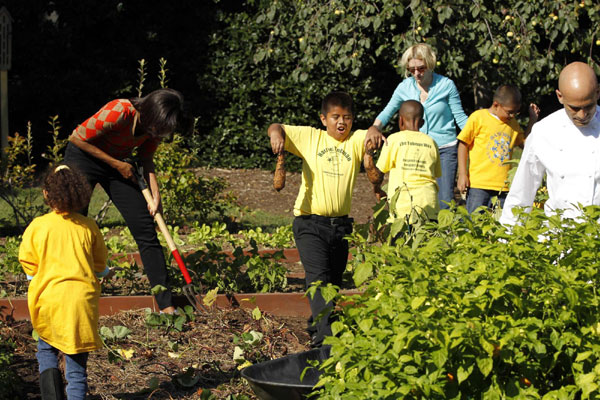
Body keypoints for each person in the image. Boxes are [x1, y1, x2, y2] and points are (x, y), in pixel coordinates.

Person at [268, 91, 384, 347]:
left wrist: (375, 130)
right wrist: (276, 134)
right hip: (310, 222)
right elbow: (277, 127)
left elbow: (371, 135)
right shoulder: (311, 137)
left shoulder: (355, 141)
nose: (341, 123)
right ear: (324, 119)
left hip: (341, 226)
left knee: (333, 282)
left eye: (347, 118)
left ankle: (316, 325)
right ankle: (325, 342)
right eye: (335, 117)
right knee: (318, 279)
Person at [65, 88, 190, 314]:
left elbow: (146, 159)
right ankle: (70, 291)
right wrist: (116, 164)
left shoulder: (155, 128)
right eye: (158, 129)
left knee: (145, 228)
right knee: (74, 222)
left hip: (119, 164)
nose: (159, 135)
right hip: (84, 156)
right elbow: (76, 138)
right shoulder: (119, 111)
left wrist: (156, 196)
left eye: (163, 131)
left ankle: (165, 304)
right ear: (149, 113)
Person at [19, 164, 111, 400]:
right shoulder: (89, 227)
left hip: (49, 300)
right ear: (81, 194)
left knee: (46, 348)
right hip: (80, 304)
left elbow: (28, 262)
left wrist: (36, 276)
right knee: (77, 367)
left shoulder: (38, 226)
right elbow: (100, 266)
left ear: (46, 194)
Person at [367, 43, 468, 210]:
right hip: (415, 148)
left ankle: (445, 234)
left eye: (420, 68)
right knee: (416, 194)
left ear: (430, 64)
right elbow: (388, 111)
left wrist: (478, 134)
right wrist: (375, 127)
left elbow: (460, 117)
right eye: (411, 69)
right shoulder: (404, 87)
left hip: (444, 148)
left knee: (445, 199)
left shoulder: (446, 85)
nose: (416, 73)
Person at [500, 61, 600, 225]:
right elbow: (522, 190)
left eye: (588, 106)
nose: (582, 115)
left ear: (598, 92)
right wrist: (507, 238)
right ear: (560, 96)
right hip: (559, 238)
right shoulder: (543, 131)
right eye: (574, 108)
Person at [457, 85, 540, 213]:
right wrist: (462, 174)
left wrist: (533, 120)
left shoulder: (513, 124)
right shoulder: (478, 117)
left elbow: (525, 144)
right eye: (509, 112)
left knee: (501, 225)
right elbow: (463, 145)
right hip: (479, 185)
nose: (512, 116)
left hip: (503, 187)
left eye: (515, 112)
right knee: (474, 223)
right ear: (496, 105)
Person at [364, 100, 441, 223]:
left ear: (400, 120)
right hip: (430, 206)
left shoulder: (394, 140)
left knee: (401, 241)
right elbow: (435, 174)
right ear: (422, 122)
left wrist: (368, 154)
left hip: (403, 207)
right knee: (427, 241)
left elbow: (376, 178)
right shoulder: (431, 142)